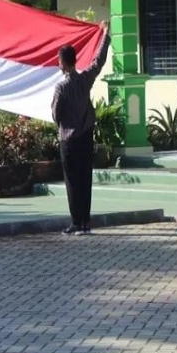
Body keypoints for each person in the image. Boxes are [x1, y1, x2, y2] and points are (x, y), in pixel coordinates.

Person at [51, 20, 111, 236]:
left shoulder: (61, 87)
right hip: (86, 136)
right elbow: (99, 61)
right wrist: (105, 34)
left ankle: (76, 222)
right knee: (85, 179)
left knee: (72, 181)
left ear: (62, 63)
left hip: (69, 139)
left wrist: (63, 124)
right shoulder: (85, 80)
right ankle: (86, 222)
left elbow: (55, 114)